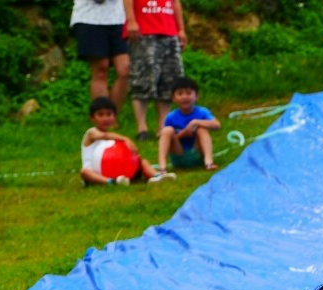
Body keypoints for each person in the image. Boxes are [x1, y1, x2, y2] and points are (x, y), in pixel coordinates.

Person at [124, 0, 187, 140]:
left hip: (169, 31)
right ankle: (142, 129)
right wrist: (131, 20)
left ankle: (163, 128)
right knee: (142, 79)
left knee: (169, 80)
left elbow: (175, 3)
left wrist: (181, 29)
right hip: (144, 30)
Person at [80, 97, 168, 186]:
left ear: (114, 117)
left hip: (115, 171)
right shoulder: (91, 132)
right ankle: (111, 182)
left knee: (143, 161)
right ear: (92, 118)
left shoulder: (114, 138)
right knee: (84, 172)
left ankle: (156, 176)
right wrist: (125, 139)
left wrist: (133, 158)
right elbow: (103, 136)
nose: (105, 118)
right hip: (95, 172)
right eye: (100, 115)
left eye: (109, 114)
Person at [70, 0, 129, 113]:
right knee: (101, 69)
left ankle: (112, 115)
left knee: (125, 69)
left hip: (119, 18)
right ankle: (102, 116)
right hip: (89, 18)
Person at [155, 77, 221, 175]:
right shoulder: (171, 117)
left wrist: (196, 122)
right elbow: (169, 138)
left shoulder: (202, 112)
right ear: (173, 98)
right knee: (167, 130)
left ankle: (208, 162)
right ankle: (162, 167)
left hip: (197, 152)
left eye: (189, 93)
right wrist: (184, 133)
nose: (185, 97)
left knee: (202, 129)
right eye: (180, 94)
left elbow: (217, 125)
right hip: (179, 154)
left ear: (196, 96)